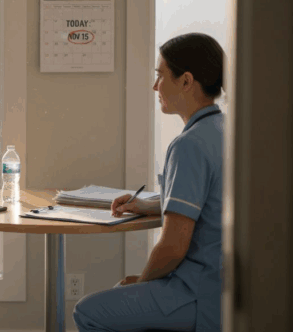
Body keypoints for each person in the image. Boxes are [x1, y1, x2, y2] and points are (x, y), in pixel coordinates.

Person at [73, 32, 226, 332]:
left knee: (87, 312)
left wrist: (140, 283)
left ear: (185, 81)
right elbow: (207, 202)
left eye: (160, 75)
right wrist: (150, 205)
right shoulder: (222, 130)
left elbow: (173, 246)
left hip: (196, 293)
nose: (155, 86)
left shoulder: (189, 145)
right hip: (221, 287)